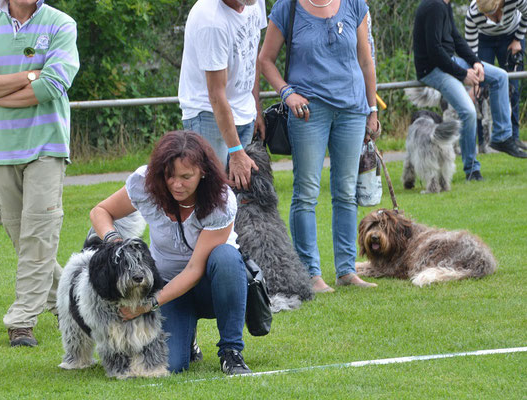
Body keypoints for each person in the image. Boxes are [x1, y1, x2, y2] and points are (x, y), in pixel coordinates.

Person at [0, 0, 79, 347]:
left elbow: (53, 85)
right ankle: (73, 301)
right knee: (25, 239)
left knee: (38, 236)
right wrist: (29, 75)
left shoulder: (60, 24)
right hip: (0, 150)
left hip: (46, 147)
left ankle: (21, 320)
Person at [89, 130, 251, 375]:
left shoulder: (221, 200)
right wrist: (114, 241)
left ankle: (231, 351)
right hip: (168, 285)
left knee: (226, 257)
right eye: (170, 176)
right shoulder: (144, 183)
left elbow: (195, 269)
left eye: (186, 176)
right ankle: (188, 340)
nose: (177, 184)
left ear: (203, 172)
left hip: (212, 286)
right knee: (173, 365)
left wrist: (148, 305)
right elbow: (100, 211)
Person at [258, 0, 379, 293]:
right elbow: (265, 60)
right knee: (306, 192)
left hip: (352, 110)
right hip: (308, 111)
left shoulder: (354, 4)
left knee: (346, 192)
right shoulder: (288, 7)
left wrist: (372, 109)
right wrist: (287, 93)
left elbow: (366, 60)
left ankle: (347, 271)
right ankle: (310, 274)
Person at [414, 0, 527, 183]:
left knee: (500, 76)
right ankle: (472, 169)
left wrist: (475, 62)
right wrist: (463, 74)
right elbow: (434, 51)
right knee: (468, 112)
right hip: (432, 70)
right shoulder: (433, 6)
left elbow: (457, 39)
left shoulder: (445, 5)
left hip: (449, 61)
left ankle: (501, 136)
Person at [178, 0, 267, 190]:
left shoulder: (254, 2)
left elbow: (251, 52)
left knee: (237, 196)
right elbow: (216, 94)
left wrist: (256, 108)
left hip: (244, 112)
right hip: (208, 115)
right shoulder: (211, 21)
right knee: (212, 196)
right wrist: (236, 151)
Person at [465, 0, 527, 151]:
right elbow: (470, 50)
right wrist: (475, 75)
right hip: (484, 40)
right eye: (484, 14)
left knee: (513, 89)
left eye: (491, 13)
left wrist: (518, 39)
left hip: (511, 36)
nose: (489, 17)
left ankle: (513, 138)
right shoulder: (473, 13)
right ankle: (482, 142)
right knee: (480, 89)